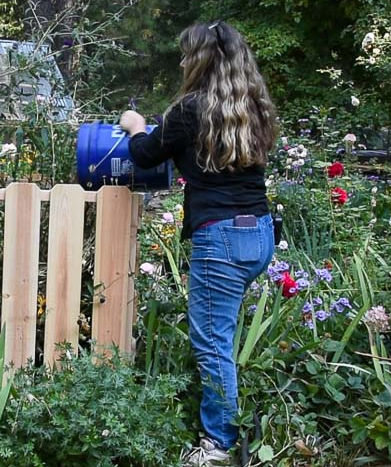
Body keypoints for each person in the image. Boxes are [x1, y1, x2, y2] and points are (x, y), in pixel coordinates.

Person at [119, 20, 277, 466]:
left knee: (213, 344)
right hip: (259, 233)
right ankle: (226, 424)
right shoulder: (254, 107)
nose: (183, 61)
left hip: (221, 238)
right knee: (222, 337)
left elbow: (146, 154)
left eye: (188, 54)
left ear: (201, 60)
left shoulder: (190, 110)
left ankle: (218, 446)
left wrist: (134, 126)